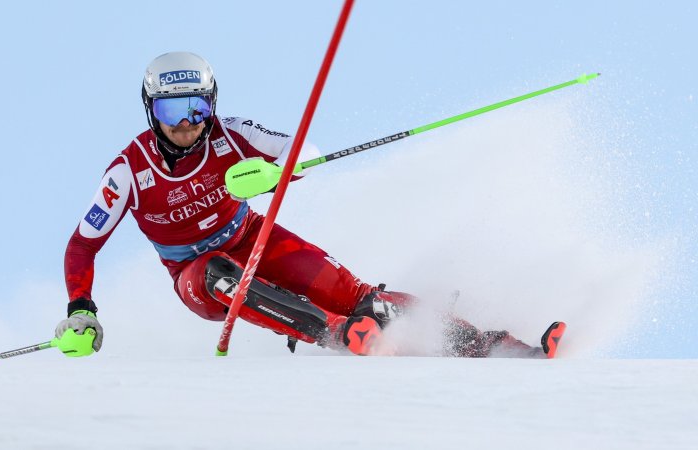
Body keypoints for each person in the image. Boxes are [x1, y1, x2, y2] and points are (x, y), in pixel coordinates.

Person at [54, 52, 566, 358]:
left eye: (197, 108)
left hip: (252, 234)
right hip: (195, 274)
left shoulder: (231, 136)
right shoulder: (130, 171)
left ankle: (496, 345)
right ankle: (335, 333)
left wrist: (279, 172)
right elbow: (83, 244)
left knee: (361, 297)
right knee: (218, 272)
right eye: (171, 110)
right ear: (151, 109)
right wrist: (82, 308)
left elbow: (306, 149)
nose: (186, 124)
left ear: (211, 105)